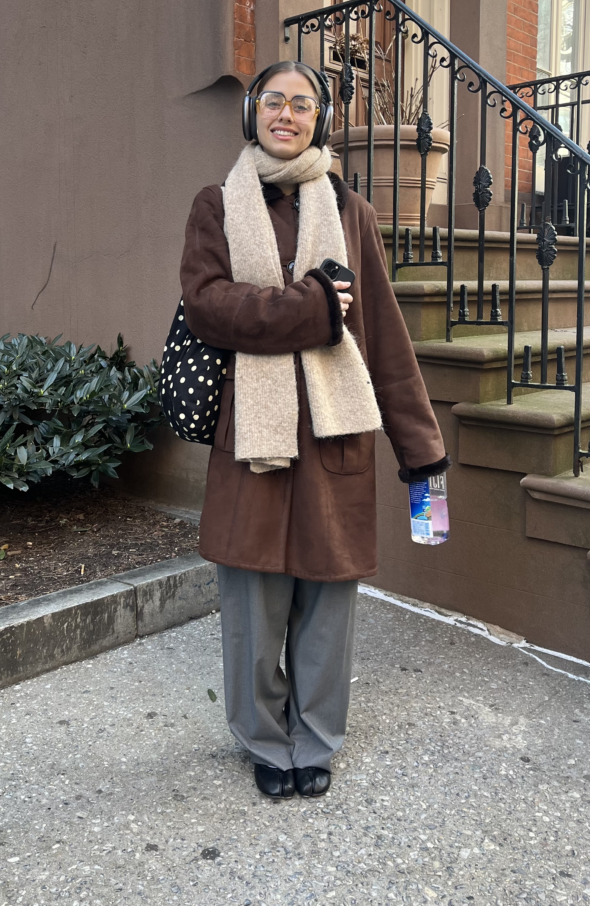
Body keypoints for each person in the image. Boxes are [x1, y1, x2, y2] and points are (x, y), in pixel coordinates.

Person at [179, 61, 448, 799]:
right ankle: (264, 741)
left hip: (336, 436)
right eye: (274, 101)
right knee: (253, 607)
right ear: (251, 113)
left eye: (302, 104)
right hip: (254, 441)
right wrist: (314, 309)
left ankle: (316, 739)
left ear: (319, 120)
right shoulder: (217, 206)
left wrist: (422, 452)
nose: (287, 115)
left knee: (327, 602)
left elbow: (384, 338)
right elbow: (209, 306)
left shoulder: (350, 212)